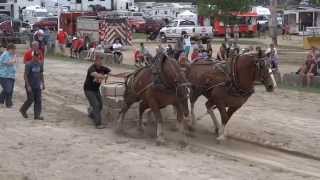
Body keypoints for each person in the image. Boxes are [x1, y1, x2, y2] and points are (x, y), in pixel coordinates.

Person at [83, 56, 111, 129]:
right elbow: (96, 75)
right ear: (95, 61)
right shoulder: (91, 68)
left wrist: (107, 74)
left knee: (101, 105)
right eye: (99, 61)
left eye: (101, 61)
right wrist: (104, 76)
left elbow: (109, 71)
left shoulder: (102, 68)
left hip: (96, 90)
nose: (100, 62)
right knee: (96, 105)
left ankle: (91, 114)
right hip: (88, 90)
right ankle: (98, 124)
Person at [20, 50, 45, 120]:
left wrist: (43, 83)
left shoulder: (40, 64)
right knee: (31, 99)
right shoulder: (28, 64)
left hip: (37, 85)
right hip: (30, 85)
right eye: (35, 56)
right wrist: (28, 85)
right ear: (33, 56)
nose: (37, 57)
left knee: (38, 100)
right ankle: (23, 110)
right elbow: (25, 75)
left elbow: (41, 74)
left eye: (38, 56)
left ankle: (37, 115)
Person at [0, 44, 17, 108]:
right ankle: (7, 103)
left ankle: (5, 102)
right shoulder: (5, 55)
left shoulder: (12, 55)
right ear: (10, 49)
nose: (15, 51)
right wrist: (14, 59)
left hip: (11, 75)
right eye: (14, 49)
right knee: (8, 89)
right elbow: (9, 63)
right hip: (4, 75)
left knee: (9, 90)